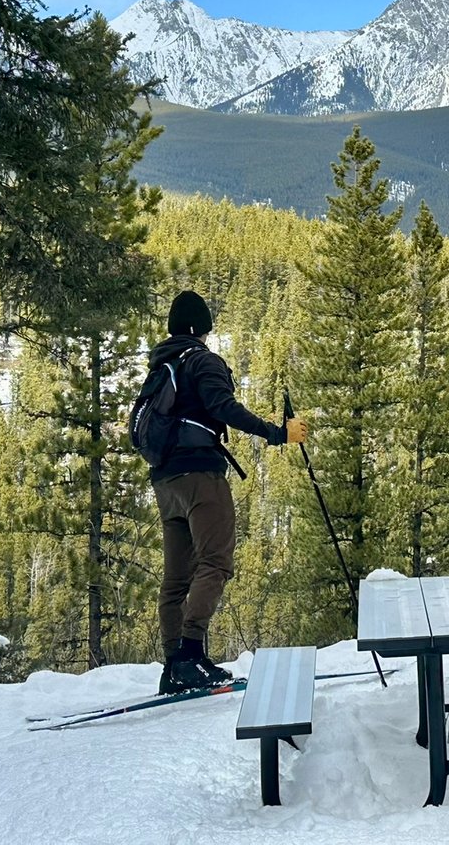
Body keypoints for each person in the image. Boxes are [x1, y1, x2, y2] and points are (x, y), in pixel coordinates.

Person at [149, 290, 307, 693]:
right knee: (215, 562)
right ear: (203, 327)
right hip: (200, 473)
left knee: (175, 578)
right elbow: (224, 408)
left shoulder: (161, 363)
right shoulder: (203, 360)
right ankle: (190, 653)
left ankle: (175, 664)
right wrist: (277, 434)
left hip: (165, 480)